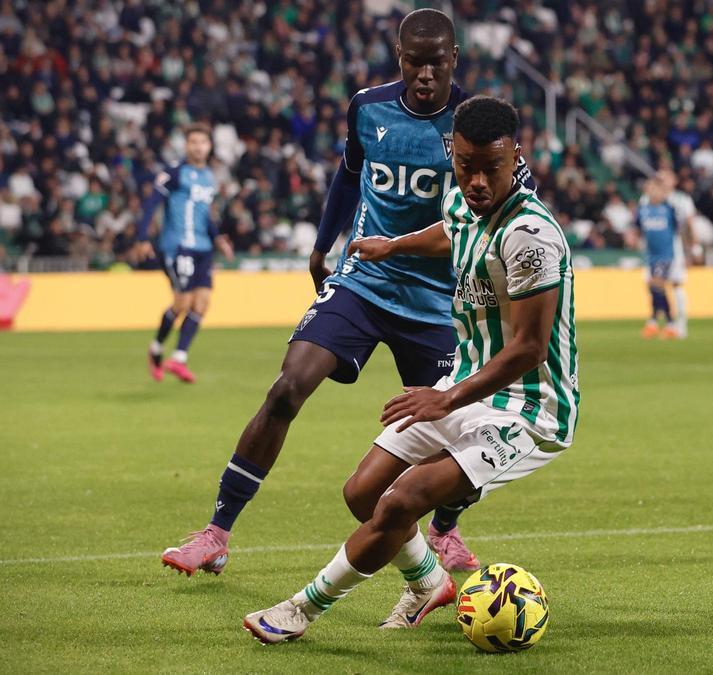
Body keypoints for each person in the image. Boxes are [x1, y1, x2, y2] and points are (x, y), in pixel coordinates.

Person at [160, 9, 533, 578]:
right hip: (364, 281)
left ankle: (445, 530)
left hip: (441, 301)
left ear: (454, 59)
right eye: (414, 61)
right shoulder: (368, 107)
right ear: (399, 56)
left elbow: (513, 203)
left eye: (437, 63)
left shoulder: (475, 126)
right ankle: (216, 533)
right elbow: (349, 174)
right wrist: (321, 246)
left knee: (456, 429)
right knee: (287, 387)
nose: (425, 74)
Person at [243, 95, 579, 642]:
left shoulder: (530, 236)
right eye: (465, 165)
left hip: (529, 409)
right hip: (466, 385)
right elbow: (450, 231)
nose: (476, 181)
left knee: (402, 500)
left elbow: (528, 349)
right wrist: (393, 246)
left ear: (516, 156)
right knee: (362, 493)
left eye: (491, 168)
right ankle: (428, 582)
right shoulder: (464, 200)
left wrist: (445, 398)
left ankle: (301, 610)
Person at [136, 123, 234, 383]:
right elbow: (151, 203)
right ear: (186, 145)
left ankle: (178, 359)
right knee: (182, 303)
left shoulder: (209, 177)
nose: (198, 147)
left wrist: (218, 239)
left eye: (203, 142)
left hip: (204, 248)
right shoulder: (174, 173)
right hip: (178, 246)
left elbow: (206, 214)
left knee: (202, 303)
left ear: (209, 146)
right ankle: (156, 349)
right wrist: (143, 237)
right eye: (193, 142)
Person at [637, 170, 696, 339]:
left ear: (674, 180)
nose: (662, 179)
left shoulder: (681, 200)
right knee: (652, 284)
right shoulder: (645, 200)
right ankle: (655, 321)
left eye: (666, 177)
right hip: (651, 250)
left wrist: (693, 247)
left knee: (676, 284)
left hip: (673, 248)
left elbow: (687, 225)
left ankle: (679, 324)